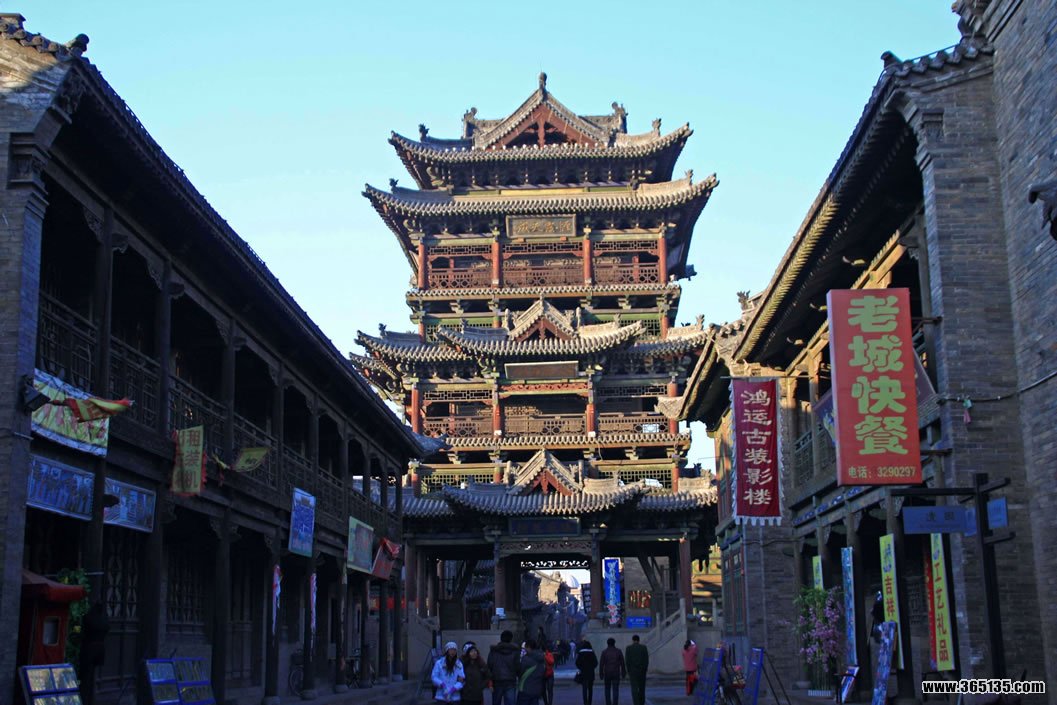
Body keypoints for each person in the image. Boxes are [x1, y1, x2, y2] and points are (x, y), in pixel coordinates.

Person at [488, 630, 521, 705]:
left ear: (501, 638)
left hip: (497, 680)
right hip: (510, 680)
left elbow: (489, 666)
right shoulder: (515, 651)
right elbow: (518, 667)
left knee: (496, 702)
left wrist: (490, 680)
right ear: (511, 639)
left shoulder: (494, 651)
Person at [517, 639, 545, 705]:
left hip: (525, 689)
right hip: (537, 689)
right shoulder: (541, 658)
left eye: (525, 647)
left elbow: (520, 672)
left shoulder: (525, 659)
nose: (525, 649)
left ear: (529, 647)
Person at [598, 637, 626, 705]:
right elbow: (622, 663)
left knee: (607, 689)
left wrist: (601, 674)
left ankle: (608, 703)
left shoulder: (604, 652)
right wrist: (623, 673)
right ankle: (615, 703)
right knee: (615, 689)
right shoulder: (618, 651)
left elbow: (601, 664)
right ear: (614, 643)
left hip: (607, 673)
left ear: (607, 643)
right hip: (616, 672)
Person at [624, 635, 649, 705]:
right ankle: (641, 702)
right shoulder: (643, 648)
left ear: (632, 640)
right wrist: (645, 669)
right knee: (642, 688)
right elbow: (646, 660)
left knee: (634, 688)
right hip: (642, 671)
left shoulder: (628, 648)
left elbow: (627, 661)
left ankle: (636, 703)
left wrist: (628, 670)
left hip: (633, 671)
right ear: (639, 640)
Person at [575, 639, 598, 705]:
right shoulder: (592, 653)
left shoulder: (581, 653)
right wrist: (592, 667)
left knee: (584, 688)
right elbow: (596, 663)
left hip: (583, 672)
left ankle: (585, 702)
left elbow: (577, 663)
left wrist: (581, 668)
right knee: (590, 689)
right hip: (591, 673)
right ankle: (590, 702)